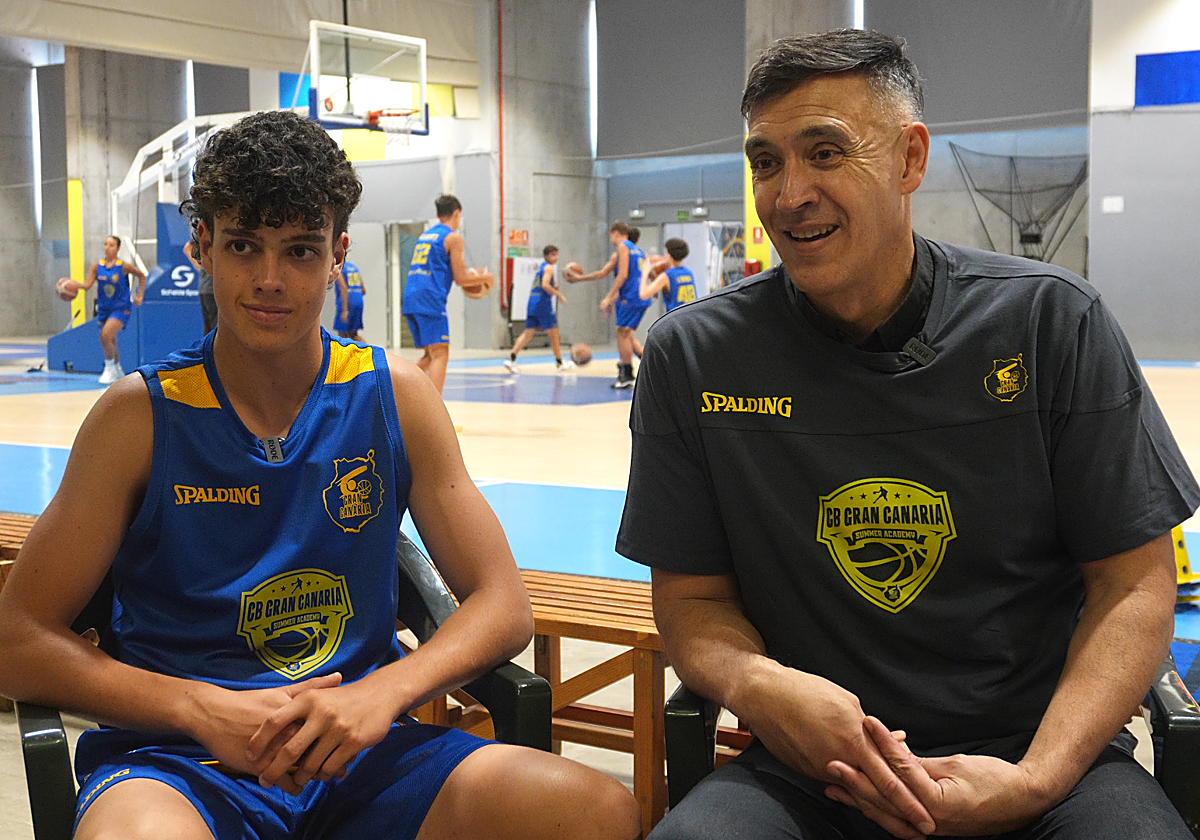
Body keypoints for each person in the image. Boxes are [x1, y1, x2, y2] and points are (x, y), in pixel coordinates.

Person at [617, 29, 1200, 840]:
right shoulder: (696, 355)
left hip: (1039, 761)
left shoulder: (1051, 323)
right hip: (808, 775)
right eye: (766, 162)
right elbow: (691, 602)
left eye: (825, 153)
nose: (789, 195)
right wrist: (755, 683)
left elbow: (1133, 587)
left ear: (910, 160)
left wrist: (1036, 780)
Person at [0, 110, 640, 840]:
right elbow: (16, 639)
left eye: (300, 251)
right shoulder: (136, 418)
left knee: (596, 813)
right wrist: (198, 709)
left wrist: (383, 693)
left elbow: (504, 605)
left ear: (337, 254)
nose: (270, 280)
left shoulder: (395, 397)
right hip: (180, 764)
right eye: (244, 246)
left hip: (361, 757)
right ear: (203, 246)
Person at [401, 195, 496, 394]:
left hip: (411, 297)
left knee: (429, 355)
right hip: (430, 299)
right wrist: (485, 279)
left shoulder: (425, 236)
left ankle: (396, 391)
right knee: (441, 353)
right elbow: (461, 278)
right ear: (457, 213)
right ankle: (436, 414)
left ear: (437, 214)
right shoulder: (453, 237)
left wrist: (474, 276)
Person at [570, 221, 649, 388]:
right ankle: (651, 364)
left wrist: (608, 297)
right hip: (639, 296)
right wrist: (579, 279)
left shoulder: (623, 247)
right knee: (628, 334)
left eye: (611, 235)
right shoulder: (638, 251)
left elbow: (623, 276)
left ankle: (626, 374)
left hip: (631, 297)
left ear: (615, 233)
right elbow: (603, 273)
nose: (611, 239)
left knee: (622, 333)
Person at [81, 234, 146, 384]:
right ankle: (117, 368)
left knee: (105, 336)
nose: (107, 247)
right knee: (111, 339)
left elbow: (141, 275)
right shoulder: (97, 266)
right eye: (105, 244)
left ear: (117, 248)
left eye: (111, 245)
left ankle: (109, 367)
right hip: (104, 308)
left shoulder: (123, 266)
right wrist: (70, 285)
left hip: (120, 307)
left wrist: (139, 295)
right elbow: (87, 285)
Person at [504, 244, 574, 373]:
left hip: (532, 303)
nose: (556, 257)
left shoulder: (541, 268)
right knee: (554, 333)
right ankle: (559, 362)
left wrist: (555, 287)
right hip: (543, 305)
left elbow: (545, 284)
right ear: (547, 256)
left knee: (528, 333)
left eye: (557, 254)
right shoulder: (548, 268)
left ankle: (511, 358)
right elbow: (545, 285)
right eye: (553, 255)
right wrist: (559, 295)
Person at [639, 237, 696, 313]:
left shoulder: (667, 276)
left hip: (676, 319)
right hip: (690, 315)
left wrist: (645, 272)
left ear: (669, 255)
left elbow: (643, 295)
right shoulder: (688, 273)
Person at [184, 239, 217, 335]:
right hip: (212, 289)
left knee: (209, 329)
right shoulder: (214, 237)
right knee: (215, 328)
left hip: (205, 288)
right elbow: (187, 247)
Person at [335, 257, 366, 341]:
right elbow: (364, 290)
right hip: (358, 302)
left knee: (342, 336)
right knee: (354, 335)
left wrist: (345, 310)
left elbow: (343, 288)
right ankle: (369, 351)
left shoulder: (339, 268)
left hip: (347, 303)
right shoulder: (354, 267)